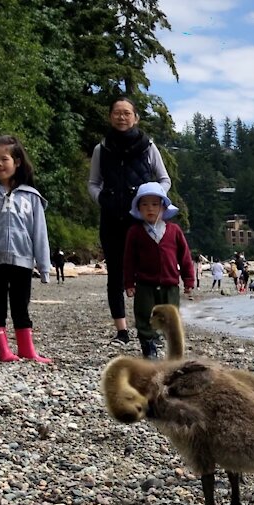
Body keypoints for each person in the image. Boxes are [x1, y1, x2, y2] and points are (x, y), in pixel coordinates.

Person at [89, 96, 171, 348]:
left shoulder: (148, 147)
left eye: (127, 113)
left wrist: (154, 203)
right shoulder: (101, 149)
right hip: (112, 220)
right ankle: (122, 331)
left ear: (135, 117)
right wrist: (102, 199)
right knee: (115, 274)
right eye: (117, 113)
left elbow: (164, 179)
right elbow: (93, 182)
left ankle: (150, 329)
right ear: (110, 116)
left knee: (148, 274)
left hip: (142, 223)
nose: (121, 117)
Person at [0, 135, 53, 363]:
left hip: (23, 261)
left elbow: (39, 232)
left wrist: (44, 266)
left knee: (21, 305)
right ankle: (3, 350)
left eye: (4, 159)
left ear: (17, 161)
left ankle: (27, 349)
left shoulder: (31, 196)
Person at [122, 182, 194, 359]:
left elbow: (184, 257)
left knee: (170, 316)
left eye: (155, 204)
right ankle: (148, 345)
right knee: (144, 315)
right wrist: (129, 283)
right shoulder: (135, 232)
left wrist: (189, 280)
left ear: (163, 207)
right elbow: (129, 260)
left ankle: (171, 346)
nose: (150, 209)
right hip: (145, 283)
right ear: (138, 208)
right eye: (144, 204)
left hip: (170, 284)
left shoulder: (174, 231)